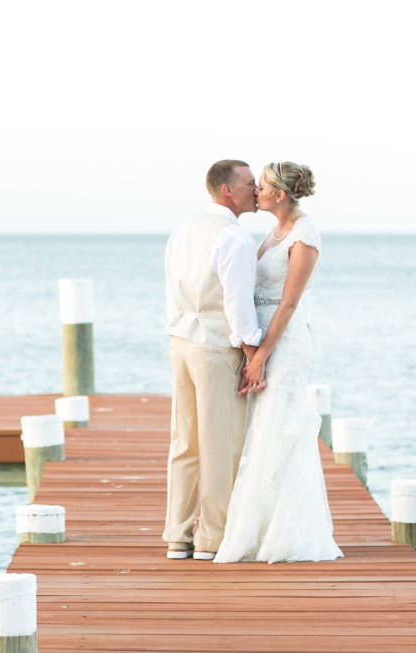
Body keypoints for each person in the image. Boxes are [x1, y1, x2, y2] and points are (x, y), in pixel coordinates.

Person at [214, 161, 343, 564]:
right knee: (262, 431)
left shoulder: (305, 236)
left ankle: (287, 535)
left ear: (279, 195)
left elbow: (288, 303)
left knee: (281, 429)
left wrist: (262, 355)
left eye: (262, 186)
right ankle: (259, 527)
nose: (256, 191)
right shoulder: (274, 231)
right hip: (262, 339)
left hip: (284, 342)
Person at [162, 159, 263, 561]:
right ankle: (212, 538)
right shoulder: (234, 238)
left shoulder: (182, 230)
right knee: (220, 443)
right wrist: (252, 354)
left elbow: (172, 286)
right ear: (228, 190)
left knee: (184, 441)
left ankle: (177, 535)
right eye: (250, 184)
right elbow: (238, 306)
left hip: (180, 341)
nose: (256, 190)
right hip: (215, 346)